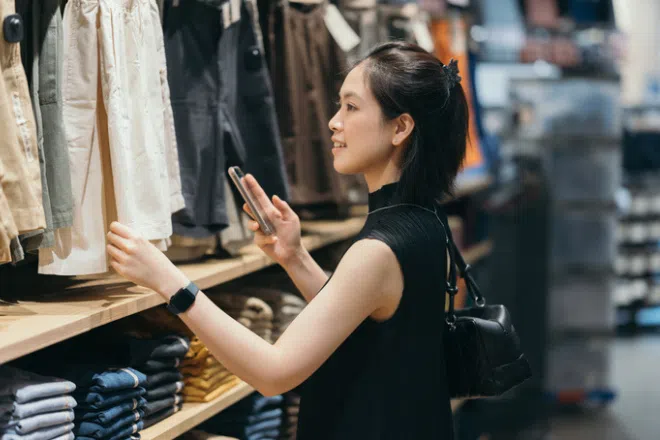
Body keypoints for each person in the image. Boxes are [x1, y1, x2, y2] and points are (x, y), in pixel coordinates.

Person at [106, 41, 469, 439]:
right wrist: (294, 256)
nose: (333, 121)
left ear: (400, 127)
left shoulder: (379, 248)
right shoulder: (424, 218)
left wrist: (170, 282)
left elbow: (274, 373)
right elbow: (366, 319)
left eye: (351, 107)